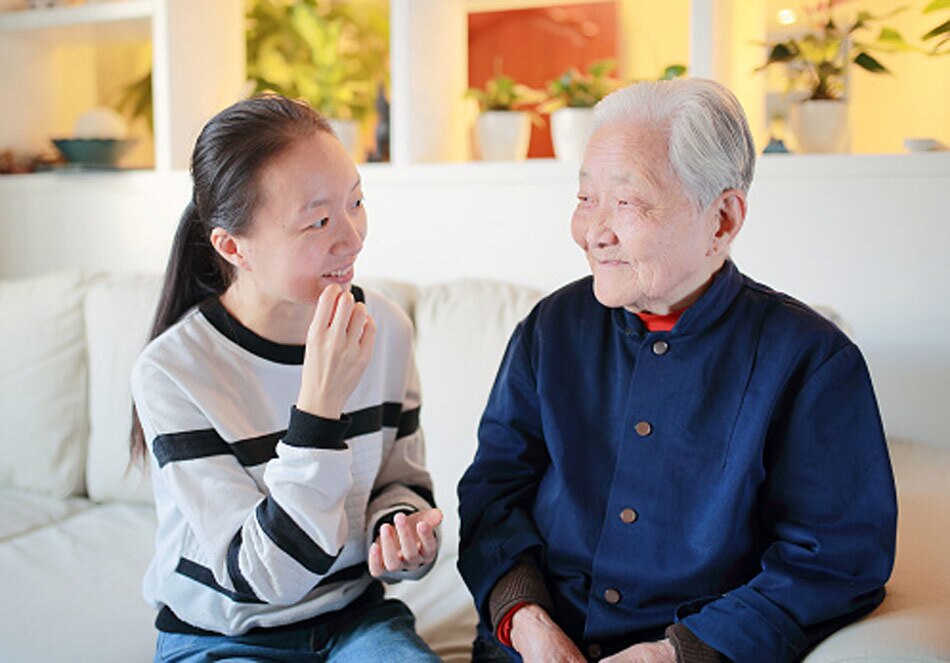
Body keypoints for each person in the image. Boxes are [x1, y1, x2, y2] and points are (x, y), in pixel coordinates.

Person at [457, 78, 897, 663]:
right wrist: (529, 626)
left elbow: (838, 559)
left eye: (628, 202)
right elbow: (492, 493)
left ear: (722, 220)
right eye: (585, 198)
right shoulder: (551, 329)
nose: (594, 232)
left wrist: (674, 654)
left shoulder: (812, 361)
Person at [130, 95, 442, 662]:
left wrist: (400, 528)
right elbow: (263, 577)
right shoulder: (172, 372)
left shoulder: (386, 329)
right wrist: (320, 407)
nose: (351, 238)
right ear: (232, 247)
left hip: (355, 619)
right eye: (318, 221)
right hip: (226, 634)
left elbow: (400, 479)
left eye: (356, 203)